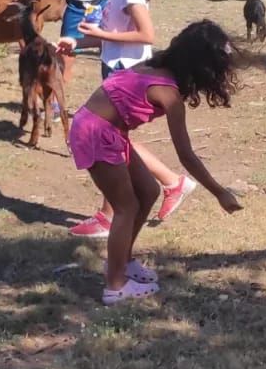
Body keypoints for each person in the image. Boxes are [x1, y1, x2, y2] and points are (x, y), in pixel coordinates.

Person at [66, 19, 244, 304]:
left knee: (148, 191)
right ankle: (115, 285)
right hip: (95, 131)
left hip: (105, 129)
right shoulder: (169, 95)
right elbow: (185, 155)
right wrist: (219, 192)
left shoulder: (154, 66)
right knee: (126, 207)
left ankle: (122, 261)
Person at [67, 0, 198, 238]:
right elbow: (113, 34)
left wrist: (99, 32)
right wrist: (77, 42)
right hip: (116, 68)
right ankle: (166, 185)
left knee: (111, 142)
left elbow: (146, 34)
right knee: (114, 141)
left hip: (126, 72)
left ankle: (116, 212)